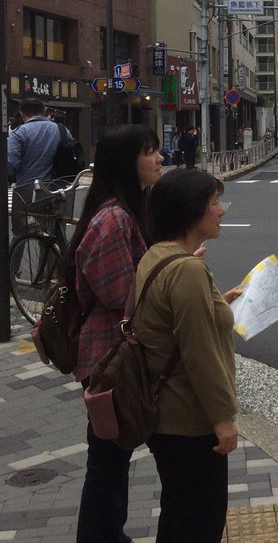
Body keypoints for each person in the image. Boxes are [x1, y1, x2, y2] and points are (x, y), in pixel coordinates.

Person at [138, 171, 241, 543]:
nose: (221, 211)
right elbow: (200, 354)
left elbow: (171, 323)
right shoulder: (187, 270)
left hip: (164, 418)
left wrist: (217, 304)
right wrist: (222, 419)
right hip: (189, 420)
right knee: (200, 523)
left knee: (178, 515)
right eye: (214, 203)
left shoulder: (157, 255)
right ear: (191, 210)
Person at [72, 125, 163, 543]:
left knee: (112, 457)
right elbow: (119, 293)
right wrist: (169, 274)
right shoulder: (113, 218)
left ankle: (108, 534)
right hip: (107, 358)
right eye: (149, 152)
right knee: (107, 460)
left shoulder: (126, 211)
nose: (159, 159)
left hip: (113, 353)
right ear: (127, 163)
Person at [8, 97, 75, 185]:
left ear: (22, 114)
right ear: (44, 111)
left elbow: (11, 163)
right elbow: (72, 154)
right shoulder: (62, 130)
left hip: (27, 186)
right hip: (57, 186)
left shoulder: (18, 133)